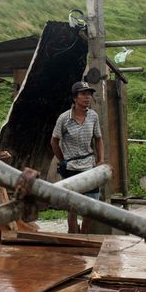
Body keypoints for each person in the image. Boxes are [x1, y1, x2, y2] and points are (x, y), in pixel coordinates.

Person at [50, 81, 105, 233]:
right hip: (72, 169)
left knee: (91, 207)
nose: (87, 97)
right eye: (83, 94)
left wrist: (100, 160)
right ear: (75, 98)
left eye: (89, 94)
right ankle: (73, 236)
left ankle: (84, 235)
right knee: (72, 207)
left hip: (89, 167)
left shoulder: (93, 116)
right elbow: (54, 141)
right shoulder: (64, 119)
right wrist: (62, 161)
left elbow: (98, 139)